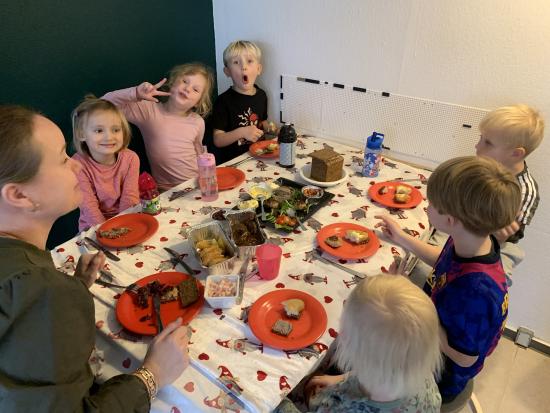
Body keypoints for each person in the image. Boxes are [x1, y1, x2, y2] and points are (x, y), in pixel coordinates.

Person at [0, 105, 190, 412]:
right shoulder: (39, 290)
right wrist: (152, 374)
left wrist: (74, 287)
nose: (76, 165)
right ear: (20, 195)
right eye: (63, 158)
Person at [375, 156, 521, 407]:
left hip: (436, 376)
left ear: (451, 220)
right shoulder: (473, 239)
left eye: (432, 204)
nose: (427, 207)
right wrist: (401, 238)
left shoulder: (475, 291)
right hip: (432, 332)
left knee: (366, 342)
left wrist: (408, 299)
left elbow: (464, 358)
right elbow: (445, 262)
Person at [410, 104, 544, 287]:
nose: (477, 146)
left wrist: (496, 233)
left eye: (488, 142)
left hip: (498, 246)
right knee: (419, 263)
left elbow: (503, 237)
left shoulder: (525, 191)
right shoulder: (482, 165)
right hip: (463, 224)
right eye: (481, 138)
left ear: (516, 153)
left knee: (439, 276)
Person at [276, 274, 442, 413]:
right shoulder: (421, 372)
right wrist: (342, 379)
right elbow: (385, 367)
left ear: (345, 340)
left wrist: (278, 405)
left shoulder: (339, 409)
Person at [103, 62, 215, 191]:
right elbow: (105, 104)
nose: (187, 89)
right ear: (172, 83)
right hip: (165, 191)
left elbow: (199, 152)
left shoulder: (198, 122)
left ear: (198, 102)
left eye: (195, 90)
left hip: (195, 184)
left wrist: (206, 179)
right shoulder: (148, 110)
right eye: (184, 81)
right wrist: (136, 93)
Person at [71, 96, 139, 231]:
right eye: (99, 130)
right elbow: (88, 206)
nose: (109, 137)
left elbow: (130, 197)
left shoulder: (131, 158)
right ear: (81, 134)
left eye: (116, 130)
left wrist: (124, 227)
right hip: (93, 225)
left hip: (127, 217)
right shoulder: (77, 165)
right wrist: (108, 232)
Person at [209, 40, 275, 164]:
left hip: (259, 157)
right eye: (236, 62)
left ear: (258, 69)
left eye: (249, 61)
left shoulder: (262, 95)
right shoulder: (223, 101)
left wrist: (272, 128)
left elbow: (262, 121)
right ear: (227, 71)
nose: (243, 67)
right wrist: (242, 132)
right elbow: (218, 140)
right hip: (234, 162)